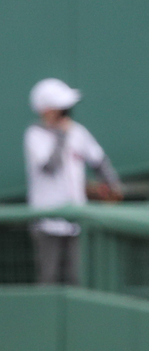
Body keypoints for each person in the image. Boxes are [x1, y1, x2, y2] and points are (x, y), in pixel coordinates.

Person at [25, 78, 123, 285]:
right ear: (46, 110)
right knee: (49, 278)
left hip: (76, 222)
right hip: (47, 222)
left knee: (76, 278)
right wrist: (61, 135)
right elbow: (50, 167)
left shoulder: (77, 132)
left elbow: (99, 160)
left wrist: (113, 185)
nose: (66, 114)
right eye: (61, 109)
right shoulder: (34, 135)